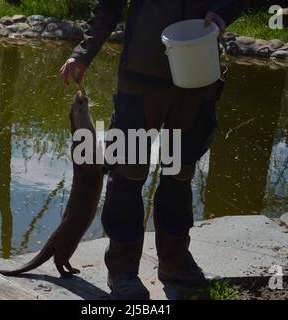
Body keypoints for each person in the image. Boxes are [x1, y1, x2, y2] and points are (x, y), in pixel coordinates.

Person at [60, 0, 242, 300]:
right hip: (140, 77)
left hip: (197, 77)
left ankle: (175, 261)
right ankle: (122, 270)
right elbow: (108, 7)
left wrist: (224, 13)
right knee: (128, 172)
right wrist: (82, 53)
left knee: (180, 171)